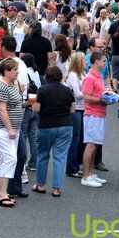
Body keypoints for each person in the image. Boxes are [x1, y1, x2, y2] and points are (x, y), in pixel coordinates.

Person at [31, 66, 75, 197]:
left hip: (46, 125)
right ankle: (56, 188)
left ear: (47, 76)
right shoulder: (67, 90)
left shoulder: (42, 90)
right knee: (60, 157)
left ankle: (41, 185)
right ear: (61, 76)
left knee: (43, 155)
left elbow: (36, 109)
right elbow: (72, 109)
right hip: (65, 125)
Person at [0, 58, 24, 207]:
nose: (17, 72)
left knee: (6, 159)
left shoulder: (11, 85)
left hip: (11, 129)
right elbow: (2, 110)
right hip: (2, 128)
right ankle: (1, 193)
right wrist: (10, 129)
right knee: (10, 158)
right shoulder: (2, 87)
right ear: (6, 71)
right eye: (15, 70)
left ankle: (1, 192)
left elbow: (13, 104)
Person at [81, 52, 109, 188]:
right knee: (91, 144)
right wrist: (101, 99)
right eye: (103, 61)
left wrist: (106, 96)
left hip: (100, 113)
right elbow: (86, 97)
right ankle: (85, 176)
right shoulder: (89, 77)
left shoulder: (99, 76)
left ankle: (90, 173)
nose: (105, 63)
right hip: (92, 114)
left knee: (95, 144)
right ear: (96, 61)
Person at [65, 52, 86, 178]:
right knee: (75, 138)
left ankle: (77, 165)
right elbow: (77, 94)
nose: (86, 62)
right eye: (84, 60)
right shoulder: (73, 75)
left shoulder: (82, 75)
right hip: (76, 109)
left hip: (83, 108)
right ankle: (71, 167)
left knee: (81, 138)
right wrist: (90, 93)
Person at [20, 53, 41, 172]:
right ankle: (33, 163)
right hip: (35, 104)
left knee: (23, 136)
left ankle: (21, 162)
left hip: (27, 105)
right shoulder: (36, 72)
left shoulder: (25, 72)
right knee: (33, 137)